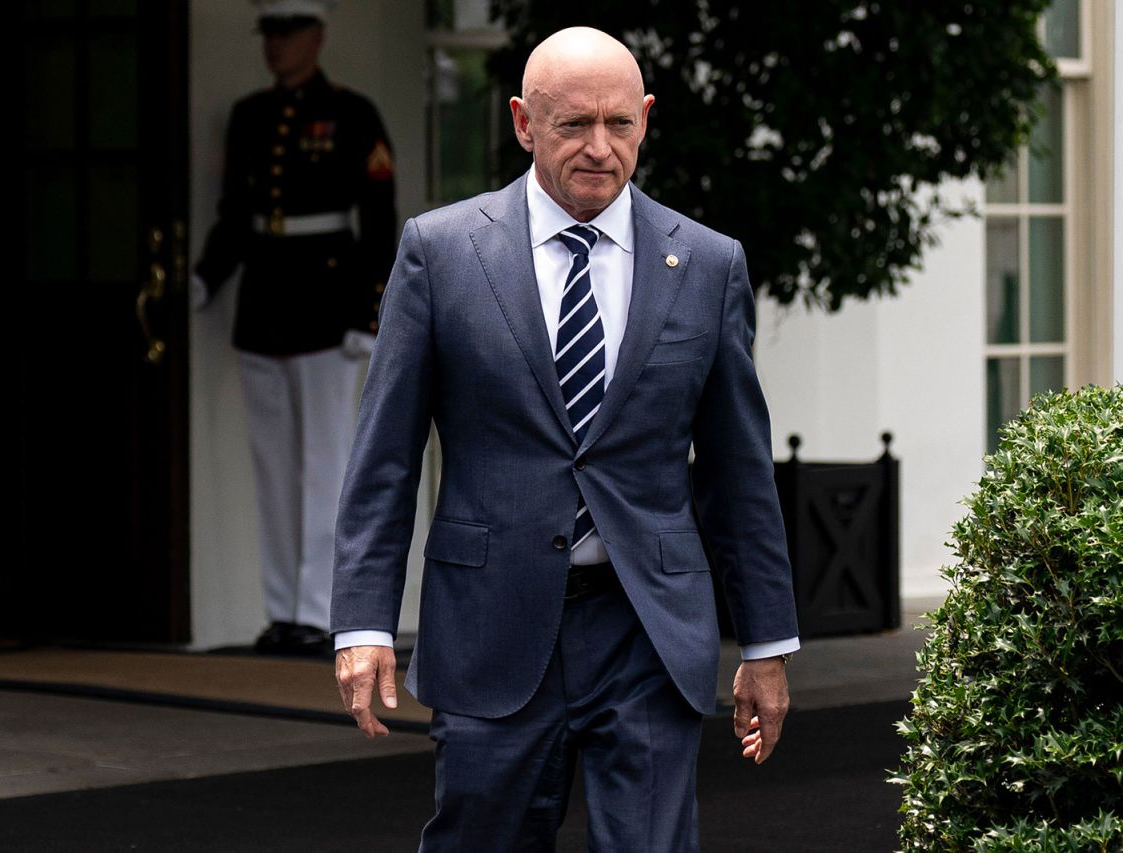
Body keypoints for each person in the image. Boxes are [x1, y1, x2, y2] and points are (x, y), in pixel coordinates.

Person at [332, 26, 798, 850]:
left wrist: (766, 643)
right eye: (572, 124)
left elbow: (738, 470)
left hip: (647, 630)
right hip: (490, 627)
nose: (598, 147)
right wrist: (364, 624)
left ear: (647, 119)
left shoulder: (710, 264)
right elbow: (385, 458)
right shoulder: (439, 254)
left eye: (619, 124)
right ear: (521, 122)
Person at [192, 0, 397, 655]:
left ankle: (317, 611)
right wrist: (205, 277)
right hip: (264, 303)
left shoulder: (351, 112)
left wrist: (371, 311)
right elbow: (235, 215)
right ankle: (281, 607)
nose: (275, 45)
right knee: (273, 468)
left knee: (323, 466)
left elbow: (377, 217)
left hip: (326, 307)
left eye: (287, 32)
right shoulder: (250, 116)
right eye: (269, 33)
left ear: (316, 34)